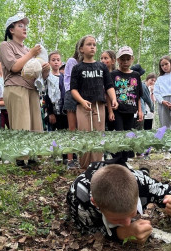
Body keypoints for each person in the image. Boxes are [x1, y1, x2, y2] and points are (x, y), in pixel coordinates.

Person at [67, 160, 171, 243]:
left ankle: (143, 171)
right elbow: (85, 229)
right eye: (118, 220)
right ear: (95, 203)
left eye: (132, 215)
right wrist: (120, 233)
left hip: (131, 174)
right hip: (93, 183)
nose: (127, 223)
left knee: (144, 176)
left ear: (138, 197)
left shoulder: (142, 184)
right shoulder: (79, 198)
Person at [0, 12, 50, 167]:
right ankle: (22, 161)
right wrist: (31, 54)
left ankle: (33, 157)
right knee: (22, 124)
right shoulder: (6, 45)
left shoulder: (29, 49)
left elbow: (38, 76)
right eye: (20, 25)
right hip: (16, 88)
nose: (24, 28)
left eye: (25, 26)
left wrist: (45, 69)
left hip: (32, 89)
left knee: (35, 124)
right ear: (11, 30)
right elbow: (14, 66)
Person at [70, 35, 118, 169]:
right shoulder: (77, 68)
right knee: (84, 135)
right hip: (83, 106)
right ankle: (85, 167)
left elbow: (109, 85)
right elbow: (73, 89)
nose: (92, 47)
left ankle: (97, 166)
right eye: (89, 44)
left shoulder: (102, 67)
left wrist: (113, 98)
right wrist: (82, 101)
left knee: (98, 135)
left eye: (94, 44)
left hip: (99, 106)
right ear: (81, 49)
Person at [109, 46, 143, 163]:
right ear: (118, 60)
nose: (125, 62)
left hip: (130, 109)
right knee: (119, 133)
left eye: (128, 59)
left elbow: (138, 95)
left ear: (132, 59)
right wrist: (110, 111)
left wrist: (140, 110)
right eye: (122, 59)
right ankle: (117, 158)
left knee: (128, 134)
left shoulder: (136, 75)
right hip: (117, 110)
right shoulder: (113, 74)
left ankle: (124, 159)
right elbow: (109, 93)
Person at [63, 41, 81, 169]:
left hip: (85, 96)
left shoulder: (89, 64)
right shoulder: (72, 61)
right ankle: (70, 160)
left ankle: (83, 158)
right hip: (72, 95)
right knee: (72, 129)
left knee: (84, 129)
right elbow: (69, 81)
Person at [154, 56, 171, 130]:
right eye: (162, 65)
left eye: (166, 64)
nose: (164, 67)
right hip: (163, 101)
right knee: (164, 124)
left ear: (170, 63)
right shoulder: (159, 79)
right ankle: (163, 139)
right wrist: (162, 101)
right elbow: (156, 92)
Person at [44, 51, 67, 132]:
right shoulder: (48, 78)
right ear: (49, 62)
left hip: (64, 112)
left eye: (58, 60)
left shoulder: (64, 78)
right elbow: (46, 96)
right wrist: (50, 113)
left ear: (61, 62)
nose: (56, 62)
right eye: (53, 60)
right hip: (53, 112)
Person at [130, 64, 154, 130]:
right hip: (140, 113)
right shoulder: (142, 85)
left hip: (129, 112)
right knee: (138, 132)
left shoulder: (127, 83)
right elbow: (148, 99)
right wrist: (152, 109)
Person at [100, 50, 117, 132]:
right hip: (103, 106)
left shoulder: (116, 76)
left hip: (114, 107)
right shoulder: (99, 75)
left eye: (106, 58)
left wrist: (110, 111)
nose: (103, 60)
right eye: (101, 58)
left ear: (113, 61)